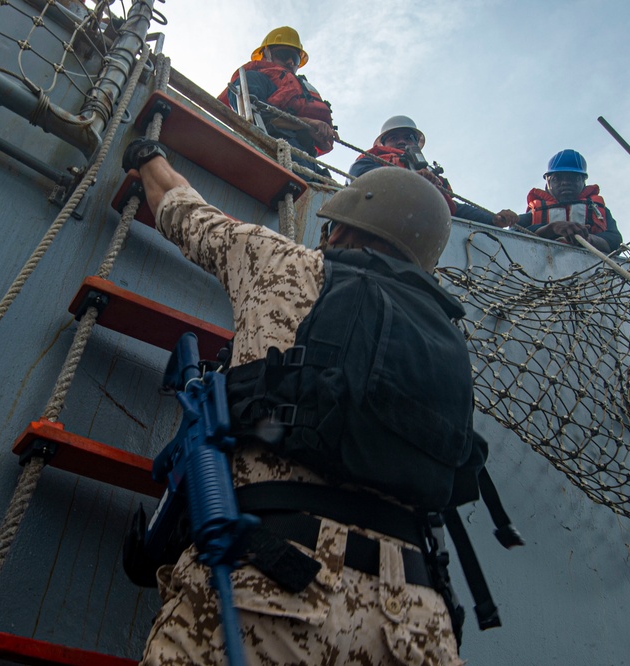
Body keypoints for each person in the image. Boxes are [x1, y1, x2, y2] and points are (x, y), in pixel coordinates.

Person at [122, 137, 473, 665]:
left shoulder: (285, 263)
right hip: (421, 624)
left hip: (273, 584)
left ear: (346, 226)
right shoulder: (448, 344)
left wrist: (146, 154)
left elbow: (180, 207)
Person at [349, 115, 518, 228]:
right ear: (382, 144)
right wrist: (411, 180)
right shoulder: (371, 160)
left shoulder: (430, 173)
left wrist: (491, 219)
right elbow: (359, 181)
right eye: (394, 138)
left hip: (423, 234)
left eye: (408, 137)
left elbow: (451, 207)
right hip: (381, 223)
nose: (401, 141)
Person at [218, 26, 336, 176]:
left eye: (295, 59)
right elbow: (254, 120)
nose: (290, 62)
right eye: (283, 54)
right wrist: (308, 123)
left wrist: (313, 130)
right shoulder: (254, 78)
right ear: (266, 54)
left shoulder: (297, 92)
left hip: (307, 163)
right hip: (277, 158)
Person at [514, 149, 623, 252]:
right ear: (547, 181)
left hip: (593, 268)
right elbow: (513, 234)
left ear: (583, 181)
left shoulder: (598, 210)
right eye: (557, 178)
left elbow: (615, 241)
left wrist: (587, 239)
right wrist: (552, 228)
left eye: (573, 178)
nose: (565, 183)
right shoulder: (535, 212)